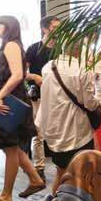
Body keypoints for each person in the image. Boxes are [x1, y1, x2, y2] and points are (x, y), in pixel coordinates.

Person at [0, 16, 45, 201]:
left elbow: (17, 75)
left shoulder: (10, 45)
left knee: (10, 148)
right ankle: (35, 179)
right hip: (12, 98)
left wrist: (0, 96)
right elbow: (20, 73)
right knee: (14, 147)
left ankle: (6, 195)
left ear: (7, 27)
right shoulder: (12, 45)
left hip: (10, 101)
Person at [36, 42, 98, 191]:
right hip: (77, 132)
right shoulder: (82, 70)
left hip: (54, 129)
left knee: (61, 172)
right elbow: (90, 104)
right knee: (82, 174)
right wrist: (99, 102)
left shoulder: (48, 67)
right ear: (79, 51)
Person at [25, 15, 60, 181]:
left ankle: (60, 165)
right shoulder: (33, 49)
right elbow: (22, 73)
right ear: (45, 29)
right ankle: (39, 167)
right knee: (38, 133)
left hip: (58, 96)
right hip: (38, 96)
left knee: (58, 130)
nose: (59, 31)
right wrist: (34, 77)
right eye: (55, 27)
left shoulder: (61, 49)